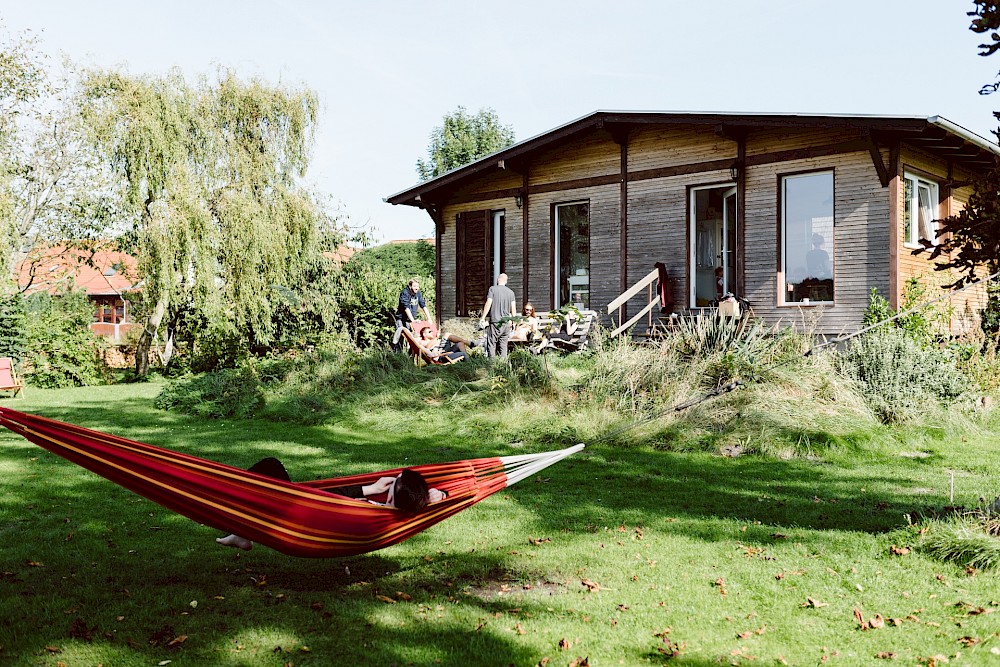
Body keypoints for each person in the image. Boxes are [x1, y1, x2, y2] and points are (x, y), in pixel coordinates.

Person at [216, 457, 447, 551]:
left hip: (300, 516)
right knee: (265, 482)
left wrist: (370, 489)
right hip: (307, 511)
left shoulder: (372, 513)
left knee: (269, 468)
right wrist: (439, 495)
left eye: (393, 482)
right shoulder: (390, 514)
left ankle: (241, 531)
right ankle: (243, 533)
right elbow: (433, 496)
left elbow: (330, 497)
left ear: (392, 495)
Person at [479, 273, 516, 358]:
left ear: (498, 280)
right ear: (506, 281)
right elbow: (513, 309)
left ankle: (492, 365)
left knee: (491, 344)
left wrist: (483, 318)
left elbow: (488, 303)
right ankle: (503, 367)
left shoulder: (492, 289)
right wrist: (514, 322)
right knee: (503, 346)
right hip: (506, 323)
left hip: (495, 322)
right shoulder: (511, 292)